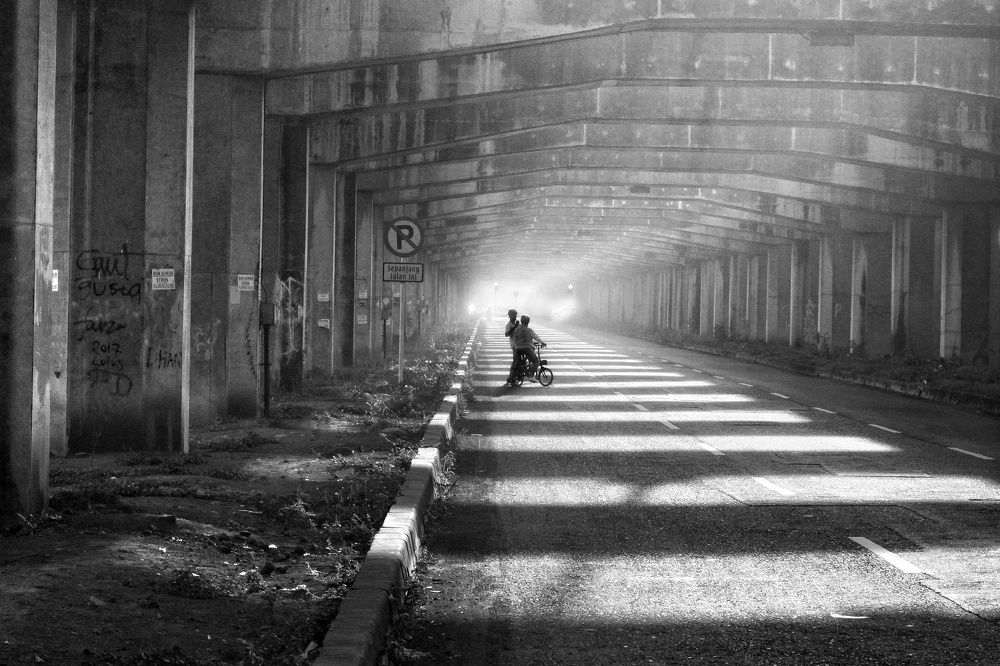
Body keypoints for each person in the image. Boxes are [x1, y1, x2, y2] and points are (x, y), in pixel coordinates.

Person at [511, 314, 546, 382]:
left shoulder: (517, 329)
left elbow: (515, 338)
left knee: (521, 363)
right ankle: (531, 375)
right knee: (536, 361)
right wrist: (542, 342)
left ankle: (523, 373)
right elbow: (536, 337)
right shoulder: (529, 330)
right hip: (526, 349)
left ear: (521, 321)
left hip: (518, 349)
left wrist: (515, 346)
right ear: (528, 322)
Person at [503, 309, 520, 386]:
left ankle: (516, 376)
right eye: (514, 315)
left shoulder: (516, 324)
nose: (515, 317)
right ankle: (511, 377)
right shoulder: (509, 325)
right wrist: (514, 327)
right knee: (515, 361)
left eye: (516, 315)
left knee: (519, 361)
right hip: (514, 346)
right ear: (510, 316)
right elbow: (506, 334)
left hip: (520, 345)